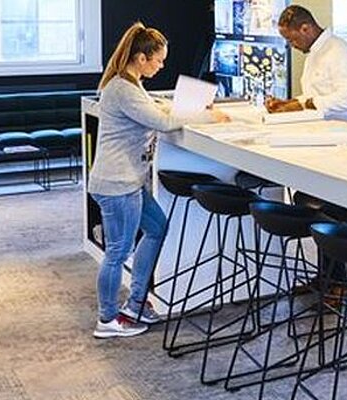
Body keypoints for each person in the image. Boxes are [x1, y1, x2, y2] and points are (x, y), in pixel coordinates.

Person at [88, 22, 229, 339]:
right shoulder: (123, 89)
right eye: (159, 60)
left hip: (130, 182)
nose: (162, 65)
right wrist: (208, 116)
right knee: (118, 252)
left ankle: (136, 303)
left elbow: (153, 111)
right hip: (117, 184)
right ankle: (107, 319)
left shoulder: (130, 83)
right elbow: (163, 122)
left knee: (157, 228)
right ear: (141, 58)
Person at [267, 5, 347, 125]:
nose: (292, 45)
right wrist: (287, 104)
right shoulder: (314, 53)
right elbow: (314, 95)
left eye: (292, 39)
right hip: (323, 128)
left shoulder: (339, 51)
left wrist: (303, 105)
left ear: (305, 29)